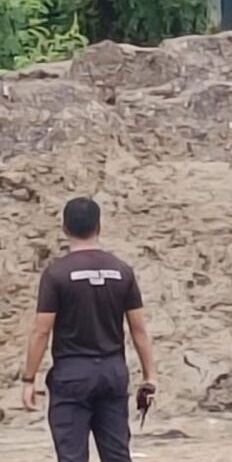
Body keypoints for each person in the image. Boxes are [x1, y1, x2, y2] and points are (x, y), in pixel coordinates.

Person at [21, 197, 157, 462]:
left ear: (65, 228)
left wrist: (29, 379)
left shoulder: (56, 274)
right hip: (112, 371)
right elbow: (138, 329)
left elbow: (41, 331)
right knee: (117, 454)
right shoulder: (122, 271)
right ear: (99, 226)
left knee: (72, 456)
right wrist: (150, 375)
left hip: (72, 373)